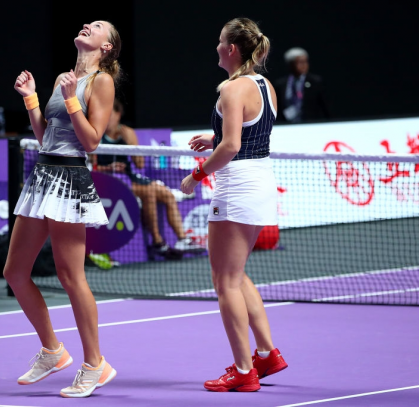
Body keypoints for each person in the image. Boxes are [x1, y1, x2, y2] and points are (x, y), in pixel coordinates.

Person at [4, 20, 119, 398]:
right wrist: (31, 98)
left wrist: (72, 100)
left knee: (71, 278)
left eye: (97, 26)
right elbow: (44, 135)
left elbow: (91, 142)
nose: (88, 25)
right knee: (15, 271)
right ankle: (53, 350)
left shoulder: (101, 81)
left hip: (70, 179)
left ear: (106, 47)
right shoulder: (63, 77)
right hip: (42, 175)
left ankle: (94, 363)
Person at [181, 18, 288, 392]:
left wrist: (195, 176)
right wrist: (213, 140)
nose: (215, 47)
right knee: (237, 274)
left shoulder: (230, 88)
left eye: (219, 42)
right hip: (260, 183)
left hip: (236, 187)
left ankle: (244, 372)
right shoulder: (265, 85)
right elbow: (248, 133)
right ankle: (266, 353)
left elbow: (232, 146)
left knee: (224, 281)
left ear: (231, 49)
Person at [92, 99, 201, 259]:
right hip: (109, 179)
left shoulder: (127, 132)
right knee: (149, 192)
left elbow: (140, 164)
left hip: (129, 177)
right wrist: (111, 167)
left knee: (167, 195)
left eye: (110, 114)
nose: (107, 118)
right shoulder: (96, 134)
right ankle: (157, 241)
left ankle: (182, 239)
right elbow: (92, 167)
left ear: (118, 114)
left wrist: (130, 145)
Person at [274, 47, 330, 123]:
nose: (304, 65)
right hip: (287, 125)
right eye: (300, 62)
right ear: (291, 64)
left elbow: (325, 106)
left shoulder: (315, 82)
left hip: (310, 124)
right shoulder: (281, 84)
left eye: (305, 62)